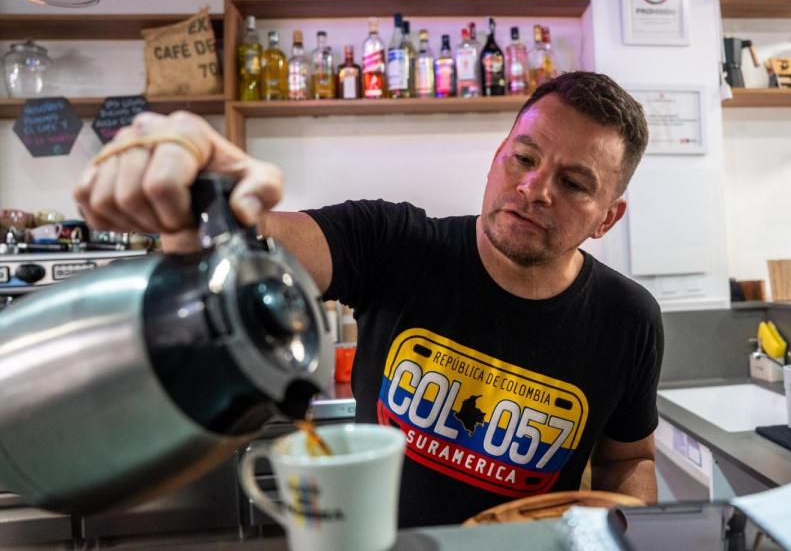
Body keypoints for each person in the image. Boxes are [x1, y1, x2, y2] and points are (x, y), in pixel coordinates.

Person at [75, 71, 664, 527]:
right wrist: (203, 200)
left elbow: (628, 458)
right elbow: (261, 248)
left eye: (574, 183)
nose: (534, 188)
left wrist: (632, 533)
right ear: (497, 157)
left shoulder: (628, 319)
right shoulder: (394, 243)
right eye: (524, 158)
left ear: (607, 218)